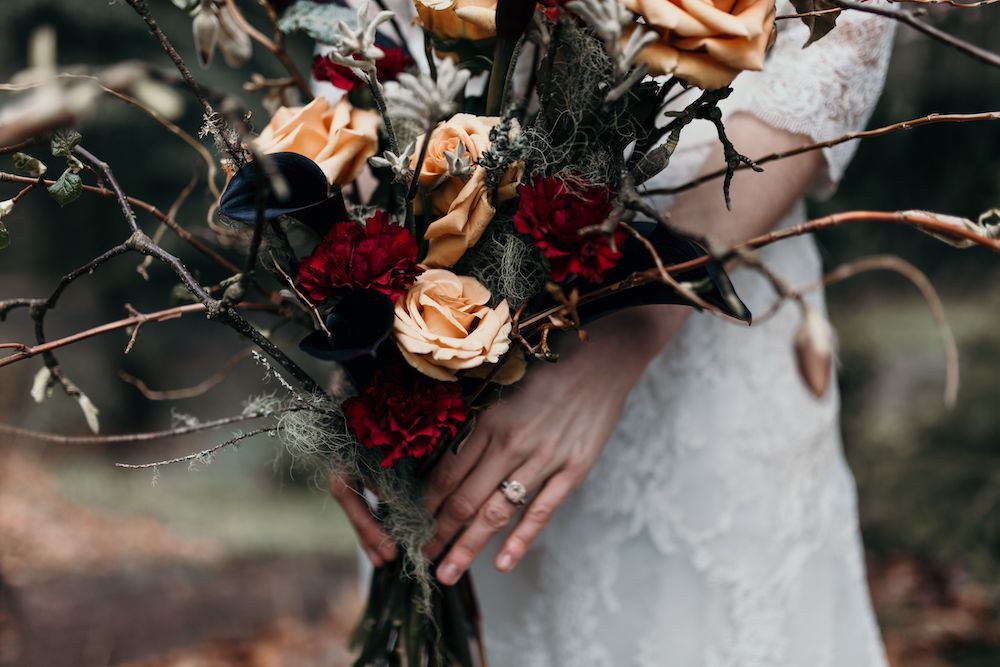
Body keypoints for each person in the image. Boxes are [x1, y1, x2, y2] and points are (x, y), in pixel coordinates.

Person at [329, 1, 897, 664]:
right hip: (458, 340)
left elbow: (829, 70)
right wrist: (367, 325)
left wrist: (629, 332)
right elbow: (368, 44)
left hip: (706, 329)